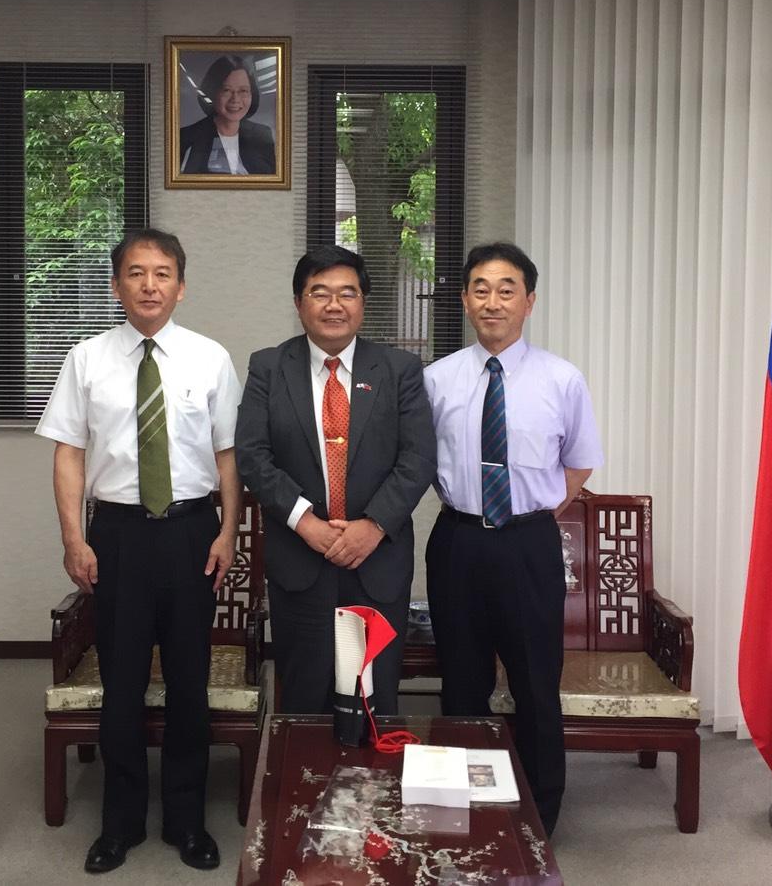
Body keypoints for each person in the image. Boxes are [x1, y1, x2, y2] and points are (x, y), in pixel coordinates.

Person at [36, 228, 242, 875]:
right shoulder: (86, 359)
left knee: (188, 680)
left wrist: (228, 531)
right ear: (116, 285)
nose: (149, 285)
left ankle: (186, 821)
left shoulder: (210, 358)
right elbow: (68, 454)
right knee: (121, 682)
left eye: (162, 274)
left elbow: (228, 455)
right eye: (135, 273)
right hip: (118, 534)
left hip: (190, 532)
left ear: (181, 286)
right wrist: (73, 537)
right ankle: (119, 824)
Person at [422, 241, 603, 835]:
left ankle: (539, 816)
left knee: (535, 682)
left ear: (529, 301)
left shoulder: (562, 379)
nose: (493, 302)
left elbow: (578, 462)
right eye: (481, 289)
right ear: (464, 300)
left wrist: (533, 514)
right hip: (459, 542)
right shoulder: (436, 380)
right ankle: (463, 809)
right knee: (462, 683)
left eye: (506, 290)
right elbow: (420, 462)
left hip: (528, 545)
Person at [235, 245, 436, 716]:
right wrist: (306, 523)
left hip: (376, 561)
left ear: (363, 302)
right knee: (304, 700)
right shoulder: (268, 367)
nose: (334, 305)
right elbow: (253, 455)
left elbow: (419, 457)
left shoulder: (399, 370)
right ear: (298, 302)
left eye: (347, 293)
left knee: (372, 699)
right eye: (319, 293)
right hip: (300, 561)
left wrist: (374, 525)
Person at [178, 55, 277, 175]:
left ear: (252, 94)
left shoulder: (262, 134)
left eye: (243, 91)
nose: (235, 99)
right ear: (212, 93)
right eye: (226, 90)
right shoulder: (187, 137)